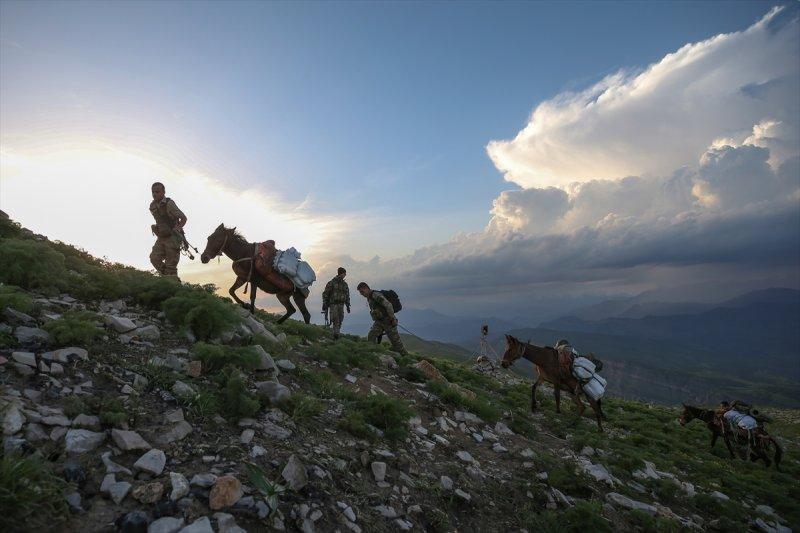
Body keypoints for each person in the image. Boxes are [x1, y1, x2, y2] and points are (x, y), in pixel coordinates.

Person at [357, 281, 408, 355]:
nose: (361, 294)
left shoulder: (375, 295)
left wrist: (393, 318)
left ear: (366, 288)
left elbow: (388, 305)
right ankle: (373, 353)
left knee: (397, 344)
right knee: (372, 336)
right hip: (379, 322)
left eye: (362, 292)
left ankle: (407, 359)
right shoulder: (369, 298)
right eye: (360, 293)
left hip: (388, 321)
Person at [149, 182, 187, 279]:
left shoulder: (169, 204)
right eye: (153, 192)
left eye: (157, 192)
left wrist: (177, 228)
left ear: (163, 192)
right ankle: (168, 277)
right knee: (154, 258)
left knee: (171, 266)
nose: (154, 194)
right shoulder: (152, 206)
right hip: (161, 237)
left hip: (172, 238)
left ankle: (172, 282)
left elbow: (183, 218)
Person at [322, 267, 351, 339]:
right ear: (341, 273)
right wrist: (324, 303)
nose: (345, 275)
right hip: (333, 304)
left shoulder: (345, 284)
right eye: (344, 273)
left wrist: (348, 305)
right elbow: (325, 293)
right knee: (335, 319)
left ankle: (336, 333)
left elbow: (347, 295)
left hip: (341, 305)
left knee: (340, 319)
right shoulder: (332, 283)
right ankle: (336, 335)